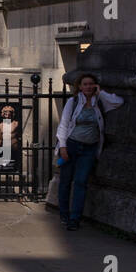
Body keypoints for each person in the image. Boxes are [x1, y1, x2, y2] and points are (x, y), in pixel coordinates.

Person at [55, 72, 124, 230]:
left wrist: (101, 92)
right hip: (71, 146)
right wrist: (63, 147)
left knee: (81, 183)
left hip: (89, 148)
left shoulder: (99, 102)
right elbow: (64, 124)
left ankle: (75, 219)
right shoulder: (72, 102)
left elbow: (118, 102)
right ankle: (64, 214)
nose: (88, 87)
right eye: (85, 84)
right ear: (79, 86)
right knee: (65, 182)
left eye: (91, 84)